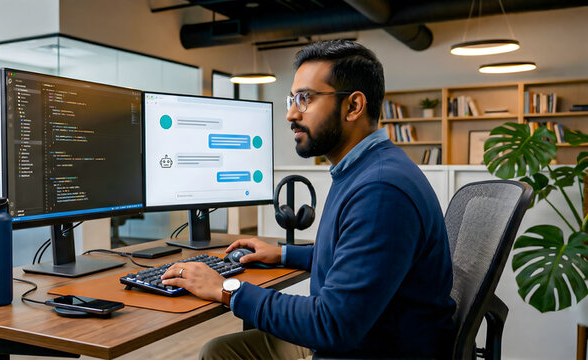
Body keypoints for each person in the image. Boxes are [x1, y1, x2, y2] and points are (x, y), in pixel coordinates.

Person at [160, 40, 456, 359]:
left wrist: (226, 288)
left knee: (220, 354)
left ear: (353, 106)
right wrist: (283, 253)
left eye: (305, 99)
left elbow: (331, 326)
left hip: (369, 348)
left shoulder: (380, 191)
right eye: (292, 99)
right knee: (220, 350)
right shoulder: (366, 170)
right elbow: (351, 258)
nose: (291, 114)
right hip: (368, 335)